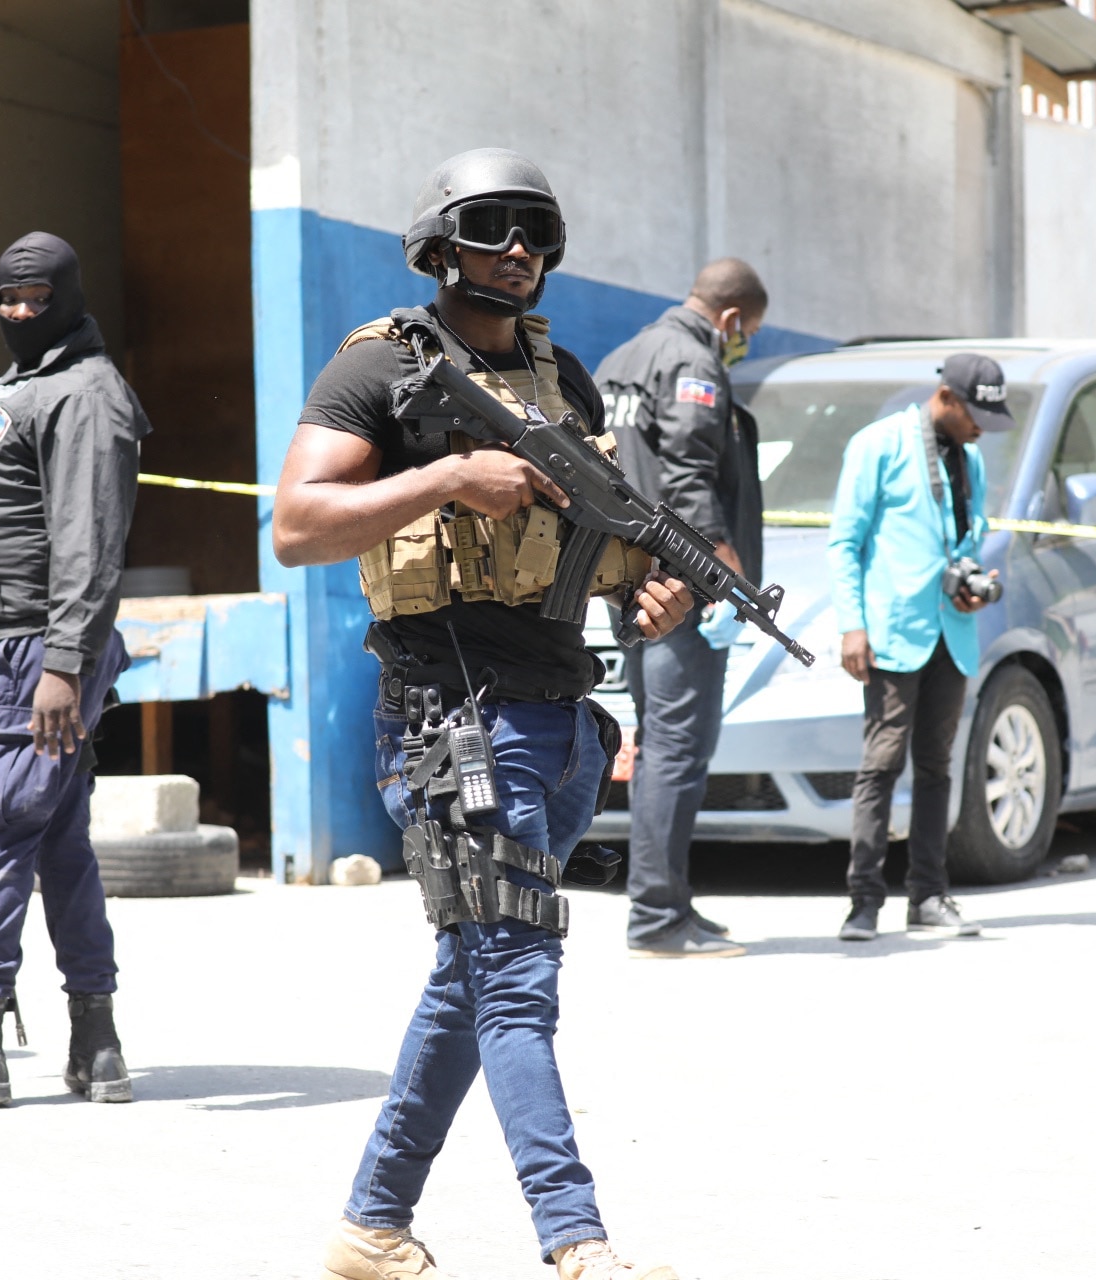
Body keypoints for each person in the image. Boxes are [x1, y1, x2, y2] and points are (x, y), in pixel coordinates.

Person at [273, 148, 690, 1280]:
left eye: (539, 232)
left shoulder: (571, 387)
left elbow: (588, 561)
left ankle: (372, 1220)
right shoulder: (379, 369)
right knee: (513, 979)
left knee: (474, 975)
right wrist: (447, 479)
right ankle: (576, 1237)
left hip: (559, 720)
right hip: (451, 721)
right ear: (440, 242)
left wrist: (647, 591)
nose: (521, 251)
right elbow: (299, 522)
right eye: (496, 226)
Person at [0, 232, 149, 1106]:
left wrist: (63, 662)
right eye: (6, 298)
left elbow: (91, 539)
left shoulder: (86, 393)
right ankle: (99, 1045)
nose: (17, 312)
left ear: (69, 296)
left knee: (1, 833)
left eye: (35, 298)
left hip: (28, 655)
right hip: (6, 652)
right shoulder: (30, 387)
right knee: (57, 843)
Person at [595, 259, 767, 959]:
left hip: (627, 578)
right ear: (731, 319)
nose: (740, 343)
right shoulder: (693, 360)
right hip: (682, 588)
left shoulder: (621, 359)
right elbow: (689, 472)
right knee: (677, 748)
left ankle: (671, 902)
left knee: (660, 742)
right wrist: (722, 565)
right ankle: (659, 919)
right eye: (745, 333)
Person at [827, 354, 1006, 943]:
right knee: (880, 766)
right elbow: (845, 542)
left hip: (950, 632)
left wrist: (971, 582)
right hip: (891, 632)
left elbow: (968, 536)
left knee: (936, 767)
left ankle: (929, 894)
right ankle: (863, 901)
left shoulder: (970, 457)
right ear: (948, 398)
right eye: (977, 413)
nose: (984, 427)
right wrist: (853, 625)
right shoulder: (878, 444)